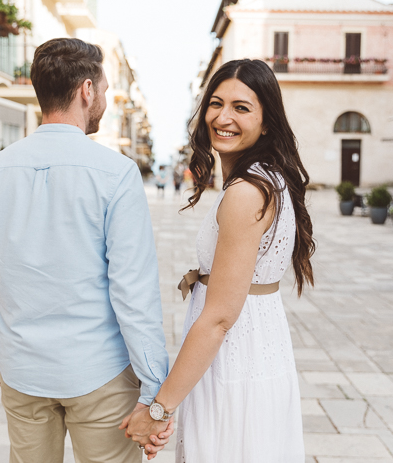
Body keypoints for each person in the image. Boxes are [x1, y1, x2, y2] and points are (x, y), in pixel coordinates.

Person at [0, 38, 172, 463]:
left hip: (23, 371)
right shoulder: (116, 174)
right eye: (105, 91)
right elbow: (134, 292)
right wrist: (154, 387)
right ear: (86, 90)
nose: (105, 100)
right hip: (100, 374)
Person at [121, 59, 314, 462]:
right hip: (257, 350)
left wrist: (158, 410)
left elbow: (220, 318)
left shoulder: (246, 192)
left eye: (241, 108)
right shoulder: (268, 178)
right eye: (215, 103)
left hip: (235, 360)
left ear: (267, 121)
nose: (222, 117)